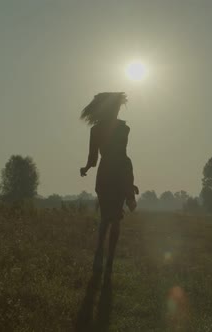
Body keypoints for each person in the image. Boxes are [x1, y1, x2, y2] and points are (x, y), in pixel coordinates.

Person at [79, 92, 139, 274]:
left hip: (107, 172)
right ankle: (109, 259)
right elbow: (120, 155)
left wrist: (86, 168)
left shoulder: (96, 130)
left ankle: (100, 253)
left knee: (107, 217)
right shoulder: (124, 129)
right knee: (115, 219)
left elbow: (93, 158)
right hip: (121, 170)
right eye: (117, 107)